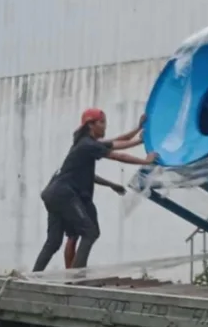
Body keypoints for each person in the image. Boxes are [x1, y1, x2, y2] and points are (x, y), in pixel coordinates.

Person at [32, 109, 155, 272]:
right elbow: (119, 155)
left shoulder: (84, 143)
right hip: (64, 193)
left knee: (54, 242)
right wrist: (146, 161)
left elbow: (118, 141)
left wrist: (138, 131)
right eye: (102, 123)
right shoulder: (87, 145)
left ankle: (33, 277)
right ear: (91, 124)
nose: (105, 127)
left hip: (52, 193)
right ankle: (76, 278)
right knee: (90, 232)